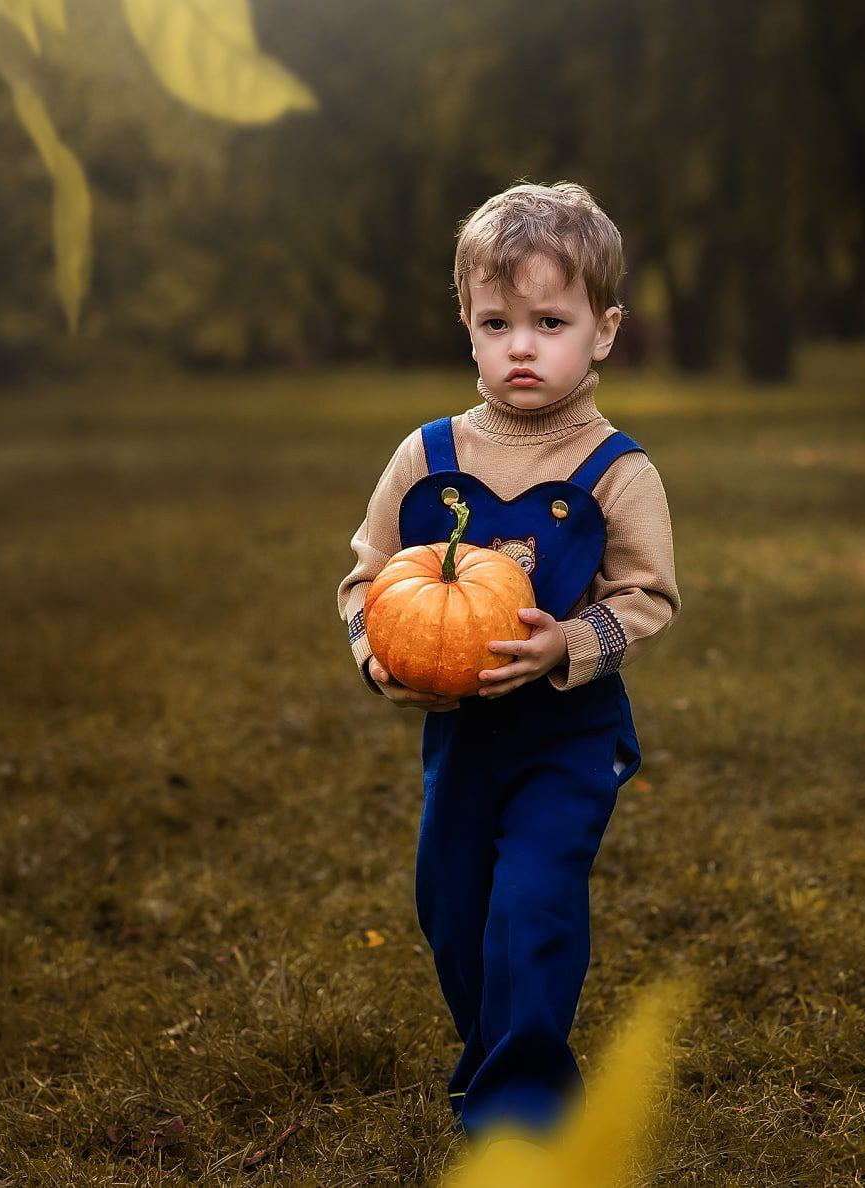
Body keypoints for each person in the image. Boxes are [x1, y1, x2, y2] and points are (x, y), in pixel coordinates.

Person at [336, 180, 681, 1144]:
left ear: (603, 331)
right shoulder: (426, 458)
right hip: (463, 738)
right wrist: (377, 661)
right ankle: (494, 1055)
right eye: (498, 321)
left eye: (551, 320)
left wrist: (566, 645)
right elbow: (366, 581)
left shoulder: (616, 471)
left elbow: (646, 598)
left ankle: (521, 1115)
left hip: (568, 738)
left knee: (529, 906)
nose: (522, 344)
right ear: (469, 327)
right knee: (452, 909)